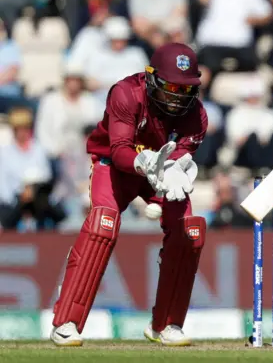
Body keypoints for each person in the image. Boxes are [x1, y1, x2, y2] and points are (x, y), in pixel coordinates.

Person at [49, 43, 208, 347]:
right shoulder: (125, 93)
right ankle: (66, 322)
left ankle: (166, 325)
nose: (177, 97)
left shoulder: (197, 115)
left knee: (189, 231)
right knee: (102, 224)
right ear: (152, 79)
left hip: (159, 175)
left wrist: (177, 169)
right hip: (116, 167)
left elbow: (184, 153)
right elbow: (118, 149)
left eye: (186, 89)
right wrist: (142, 161)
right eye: (171, 87)